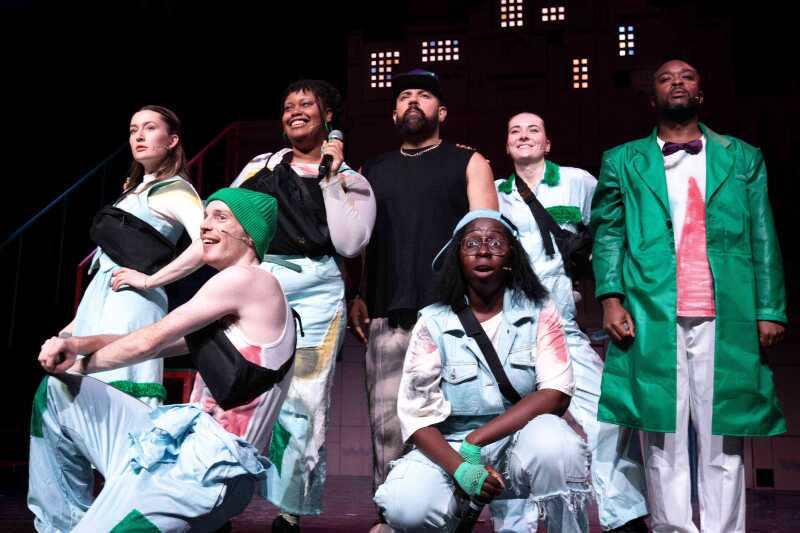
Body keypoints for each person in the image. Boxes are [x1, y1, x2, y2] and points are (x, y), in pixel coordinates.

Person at [591, 59, 787, 532]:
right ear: (651, 98)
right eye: (665, 78)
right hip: (651, 310)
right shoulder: (623, 159)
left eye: (687, 76)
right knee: (663, 438)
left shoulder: (742, 156)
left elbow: (763, 232)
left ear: (701, 93)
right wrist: (611, 297)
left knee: (725, 438)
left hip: (727, 312)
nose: (676, 82)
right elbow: (608, 233)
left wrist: (769, 308)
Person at [29, 188, 296, 532]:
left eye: (221, 217)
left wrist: (79, 365)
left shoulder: (249, 279)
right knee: (57, 391)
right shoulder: (236, 307)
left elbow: (149, 341)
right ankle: (62, 524)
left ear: (249, 235)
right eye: (206, 216)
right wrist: (77, 343)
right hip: (175, 449)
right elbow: (157, 342)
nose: (205, 225)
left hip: (207, 472)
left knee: (67, 382)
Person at [374, 210, 590, 532]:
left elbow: (555, 394)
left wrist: (478, 439)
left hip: (520, 442)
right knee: (405, 503)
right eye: (472, 243)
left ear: (511, 257)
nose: (484, 250)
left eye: (495, 243)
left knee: (558, 447)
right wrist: (462, 469)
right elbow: (417, 417)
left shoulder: (541, 312)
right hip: (452, 446)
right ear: (457, 258)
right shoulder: (432, 323)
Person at [346, 70, 498, 525]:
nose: (413, 101)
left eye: (425, 95)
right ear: (394, 113)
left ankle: (458, 517)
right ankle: (393, 517)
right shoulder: (372, 170)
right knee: (388, 427)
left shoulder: (469, 161)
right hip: (388, 312)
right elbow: (359, 241)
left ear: (442, 112)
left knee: (457, 424)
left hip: (454, 315)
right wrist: (357, 292)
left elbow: (489, 237)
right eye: (405, 96)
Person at [231, 79, 376, 531]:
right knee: (235, 389)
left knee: (304, 402)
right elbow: (227, 216)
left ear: (328, 116)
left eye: (306, 104)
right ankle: (217, 499)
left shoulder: (350, 178)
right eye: (287, 105)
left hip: (318, 290)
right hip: (261, 282)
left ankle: (289, 512)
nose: (294, 111)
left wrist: (331, 178)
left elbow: (350, 245)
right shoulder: (261, 166)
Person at [496, 112, 648, 532]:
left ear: (547, 144)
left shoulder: (576, 181)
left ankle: (624, 516)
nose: (524, 136)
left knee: (607, 415)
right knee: (509, 427)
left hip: (560, 326)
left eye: (533, 130)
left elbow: (609, 232)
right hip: (506, 330)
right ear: (507, 145)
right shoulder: (494, 192)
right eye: (515, 131)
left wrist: (605, 285)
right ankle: (516, 526)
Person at [60, 105, 205, 407]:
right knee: (84, 399)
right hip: (101, 297)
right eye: (133, 130)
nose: (139, 136)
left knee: (120, 394)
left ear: (172, 140)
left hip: (132, 300)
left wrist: (151, 281)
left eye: (150, 128)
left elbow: (206, 244)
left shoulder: (175, 190)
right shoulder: (133, 191)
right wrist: (78, 320)